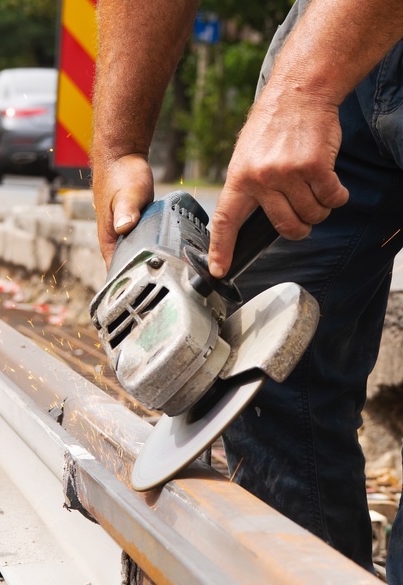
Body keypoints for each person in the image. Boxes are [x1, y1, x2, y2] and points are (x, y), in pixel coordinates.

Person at [91, 0, 403, 581]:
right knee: (264, 376)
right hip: (342, 33)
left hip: (328, 57)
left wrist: (303, 89)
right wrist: (119, 148)